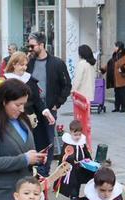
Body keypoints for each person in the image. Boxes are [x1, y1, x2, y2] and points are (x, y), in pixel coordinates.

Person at [0, 51, 54, 169]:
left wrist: (45, 111)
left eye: (25, 65)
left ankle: (36, 171)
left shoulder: (30, 80)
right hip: (11, 119)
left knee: (34, 145)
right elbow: (0, 102)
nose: (24, 67)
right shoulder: (5, 80)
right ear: (14, 64)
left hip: (31, 118)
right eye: (21, 64)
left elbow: (37, 100)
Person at [27, 32, 72, 175]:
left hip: (49, 107)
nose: (30, 49)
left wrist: (57, 103)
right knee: (34, 137)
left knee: (48, 138)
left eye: (32, 46)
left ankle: (44, 170)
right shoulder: (29, 63)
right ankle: (35, 168)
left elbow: (67, 85)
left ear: (41, 45)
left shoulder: (56, 63)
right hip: (32, 108)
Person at [55, 119, 93, 200]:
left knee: (78, 182)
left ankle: (76, 196)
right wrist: (71, 160)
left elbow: (85, 152)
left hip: (81, 167)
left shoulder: (81, 142)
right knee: (73, 183)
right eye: (75, 135)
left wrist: (89, 160)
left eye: (79, 134)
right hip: (71, 168)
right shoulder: (68, 143)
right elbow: (65, 156)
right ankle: (73, 197)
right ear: (71, 132)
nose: (78, 137)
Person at [104, 41, 125, 112]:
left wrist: (122, 69)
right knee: (116, 93)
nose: (114, 48)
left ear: (119, 47)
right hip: (115, 78)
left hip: (122, 77)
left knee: (122, 93)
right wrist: (103, 69)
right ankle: (117, 107)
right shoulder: (115, 55)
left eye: (115, 46)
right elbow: (110, 64)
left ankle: (123, 108)